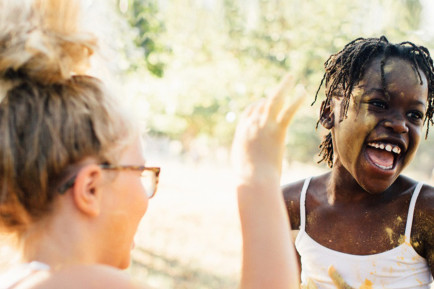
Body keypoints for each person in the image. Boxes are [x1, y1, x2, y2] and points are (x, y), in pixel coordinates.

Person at [0, 0, 302, 288]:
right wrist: (258, 177)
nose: (148, 196)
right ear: (90, 188)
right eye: (141, 173)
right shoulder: (81, 282)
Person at [283, 36, 434, 288]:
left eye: (414, 115)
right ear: (328, 113)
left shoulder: (425, 212)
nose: (399, 124)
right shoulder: (292, 206)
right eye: (378, 103)